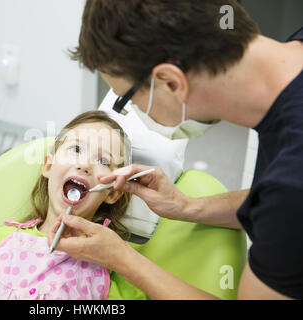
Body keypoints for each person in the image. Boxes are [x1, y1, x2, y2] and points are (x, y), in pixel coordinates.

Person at [48, 0, 303, 299]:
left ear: (170, 83)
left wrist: (122, 259)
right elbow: (271, 202)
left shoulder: (292, 185)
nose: (130, 111)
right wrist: (186, 207)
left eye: (123, 100)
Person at [0, 110, 138, 300]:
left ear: (113, 192)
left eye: (103, 161)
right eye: (76, 149)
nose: (85, 165)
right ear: (48, 166)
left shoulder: (114, 262)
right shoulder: (0, 241)